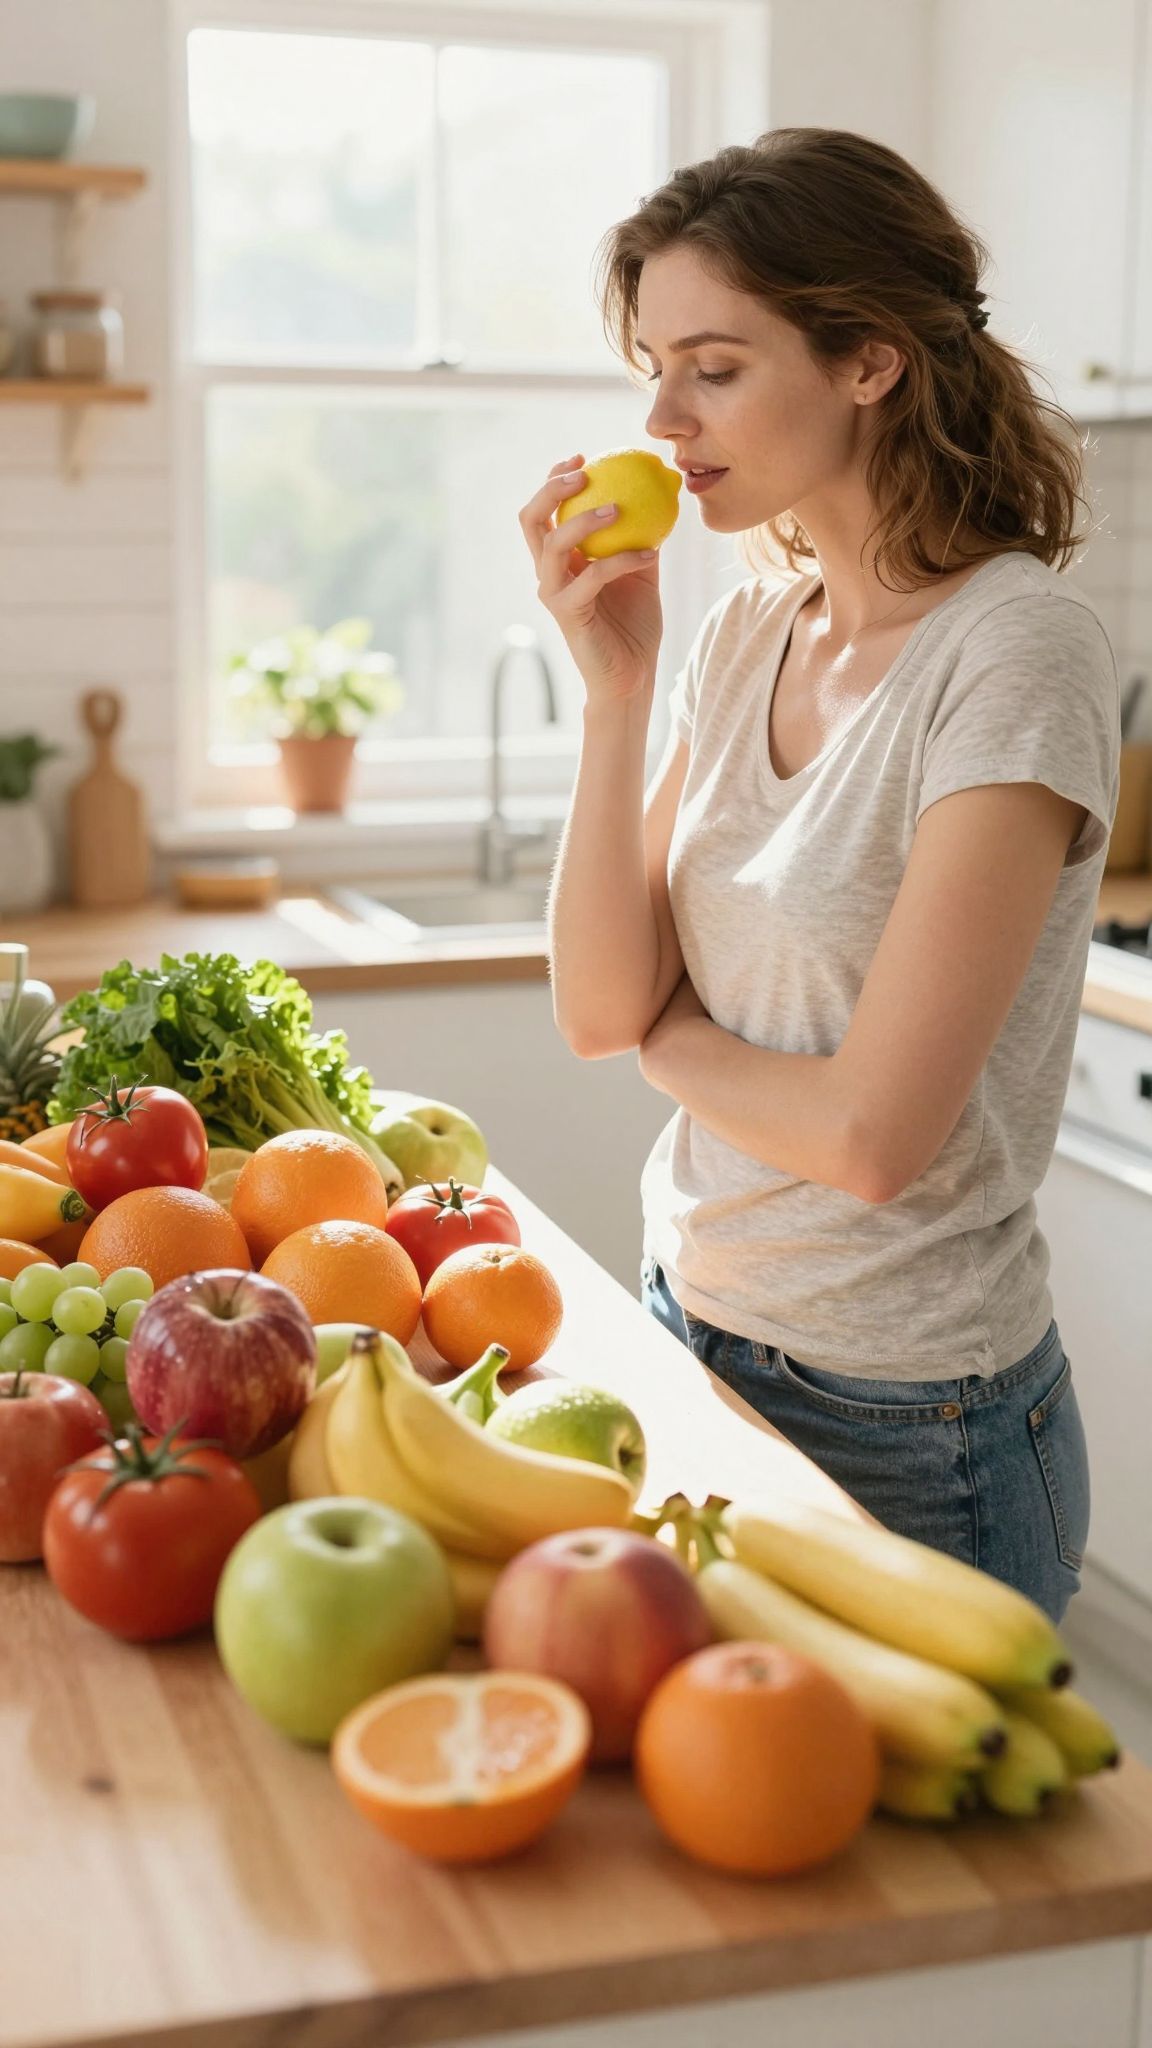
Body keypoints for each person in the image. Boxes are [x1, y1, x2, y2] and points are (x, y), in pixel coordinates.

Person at [519, 129, 1119, 1625]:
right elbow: (597, 1007)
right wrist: (614, 690)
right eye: (656, 365)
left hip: (916, 1425)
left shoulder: (1013, 652)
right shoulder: (745, 632)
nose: (661, 417)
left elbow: (868, 1138)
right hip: (693, 1331)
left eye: (713, 367)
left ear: (869, 360)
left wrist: (668, 1038)